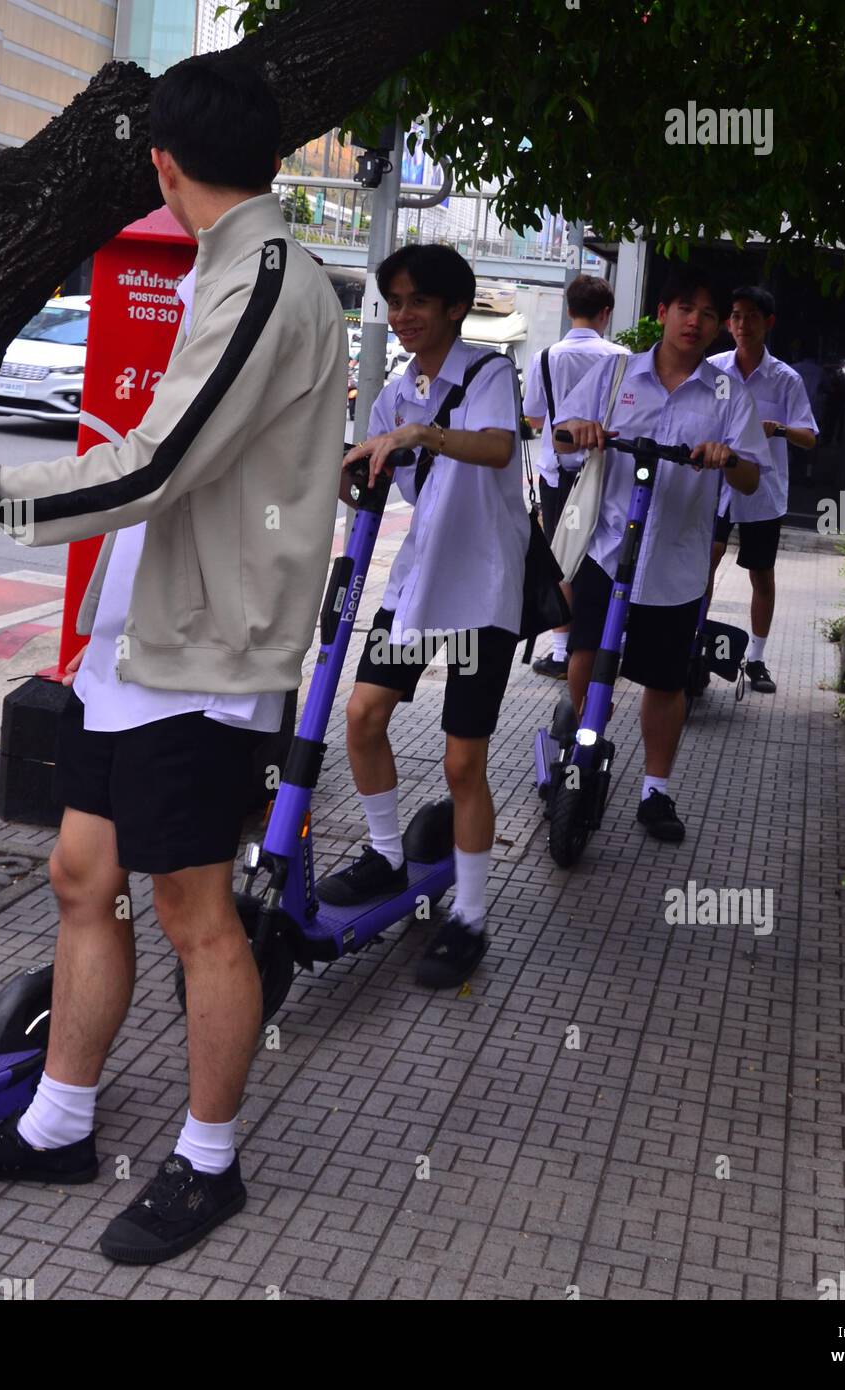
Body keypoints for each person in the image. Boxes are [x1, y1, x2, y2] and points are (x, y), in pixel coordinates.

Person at [0, 58, 347, 1265]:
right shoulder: (233, 265)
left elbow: (143, 472)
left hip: (207, 656)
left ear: (163, 164)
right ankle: (60, 1119)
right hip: (145, 638)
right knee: (82, 875)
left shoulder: (267, 279)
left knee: (193, 906)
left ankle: (208, 1161)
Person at [322, 244, 529, 989]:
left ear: (451, 306)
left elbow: (496, 446)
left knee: (461, 762)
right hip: (416, 587)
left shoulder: (486, 372)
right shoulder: (395, 388)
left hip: (481, 592)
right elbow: (401, 484)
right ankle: (385, 854)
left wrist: (420, 434)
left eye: (415, 301)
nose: (402, 315)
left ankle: (469, 916)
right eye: (394, 302)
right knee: (361, 715)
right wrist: (359, 474)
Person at [555, 266, 771, 844]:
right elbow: (560, 433)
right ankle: (582, 746)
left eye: (707, 313)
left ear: (719, 326)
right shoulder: (614, 370)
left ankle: (655, 789)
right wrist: (578, 427)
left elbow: (751, 479)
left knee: (664, 682)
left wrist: (727, 457)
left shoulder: (729, 394)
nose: (695, 322)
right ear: (662, 313)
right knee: (584, 655)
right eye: (684, 308)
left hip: (677, 560)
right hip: (607, 547)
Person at [707, 286, 817, 692]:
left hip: (762, 492)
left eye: (751, 316)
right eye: (735, 315)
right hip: (715, 487)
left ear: (768, 322)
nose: (741, 324)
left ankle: (756, 658)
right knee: (706, 561)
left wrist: (781, 429)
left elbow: (809, 437)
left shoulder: (785, 379)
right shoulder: (714, 369)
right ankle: (693, 643)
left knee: (761, 575)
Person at [522, 274, 625, 679]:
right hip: (604, 474)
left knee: (561, 558)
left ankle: (563, 652)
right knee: (602, 557)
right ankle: (600, 646)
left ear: (569, 309)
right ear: (606, 313)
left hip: (557, 475)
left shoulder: (546, 357)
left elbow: (534, 417)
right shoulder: (621, 357)